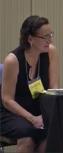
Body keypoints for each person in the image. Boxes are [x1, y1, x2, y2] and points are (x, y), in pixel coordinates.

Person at [0, 15, 59, 152]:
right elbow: (7, 100)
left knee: (52, 136)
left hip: (39, 110)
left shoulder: (51, 52)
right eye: (45, 37)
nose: (50, 40)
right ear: (30, 39)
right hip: (13, 112)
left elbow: (54, 87)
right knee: (27, 137)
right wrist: (32, 119)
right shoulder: (13, 60)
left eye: (51, 35)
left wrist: (49, 115)